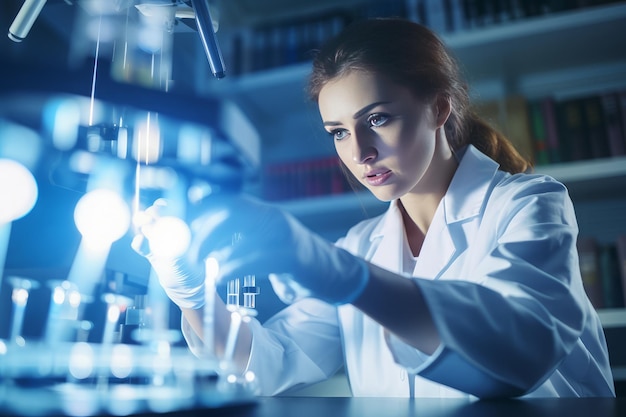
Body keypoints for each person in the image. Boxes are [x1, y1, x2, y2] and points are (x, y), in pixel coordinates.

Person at [136, 18, 615, 398]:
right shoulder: (360, 247)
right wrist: (192, 293)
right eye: (339, 132)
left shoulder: (528, 204)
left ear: (439, 108)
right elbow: (267, 363)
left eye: (378, 119)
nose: (360, 152)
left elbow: (520, 354)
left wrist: (350, 279)